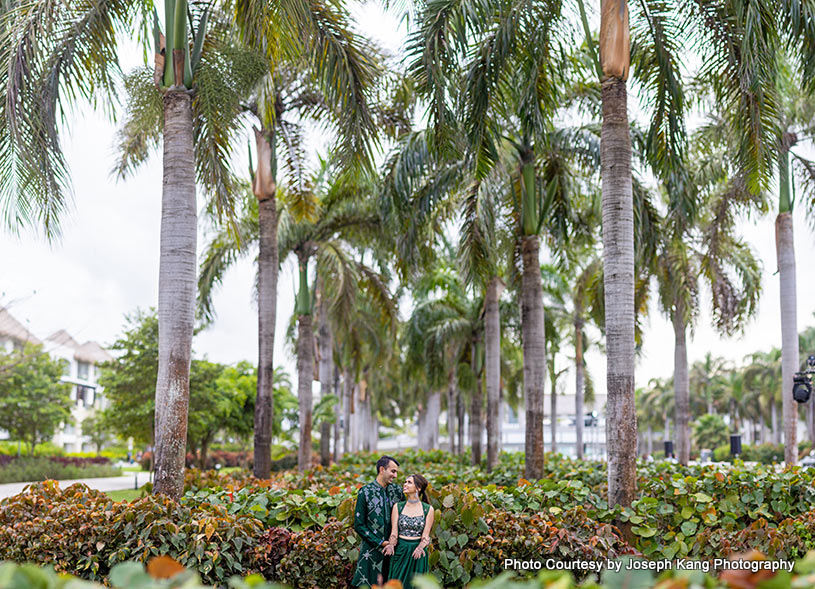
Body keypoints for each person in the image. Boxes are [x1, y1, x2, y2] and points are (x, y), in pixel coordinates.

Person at [351, 455, 406, 588]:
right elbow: (359, 525)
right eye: (393, 471)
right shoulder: (365, 492)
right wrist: (380, 542)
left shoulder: (398, 491)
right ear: (382, 469)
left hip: (394, 550)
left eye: (396, 472)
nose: (396, 476)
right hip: (371, 551)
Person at [385, 474, 435, 589]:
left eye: (409, 482)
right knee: (396, 584)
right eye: (405, 482)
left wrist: (420, 548)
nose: (405, 484)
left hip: (417, 553)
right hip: (401, 550)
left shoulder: (428, 509)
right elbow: (394, 533)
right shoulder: (398, 507)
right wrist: (391, 545)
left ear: (418, 488)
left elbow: (426, 536)